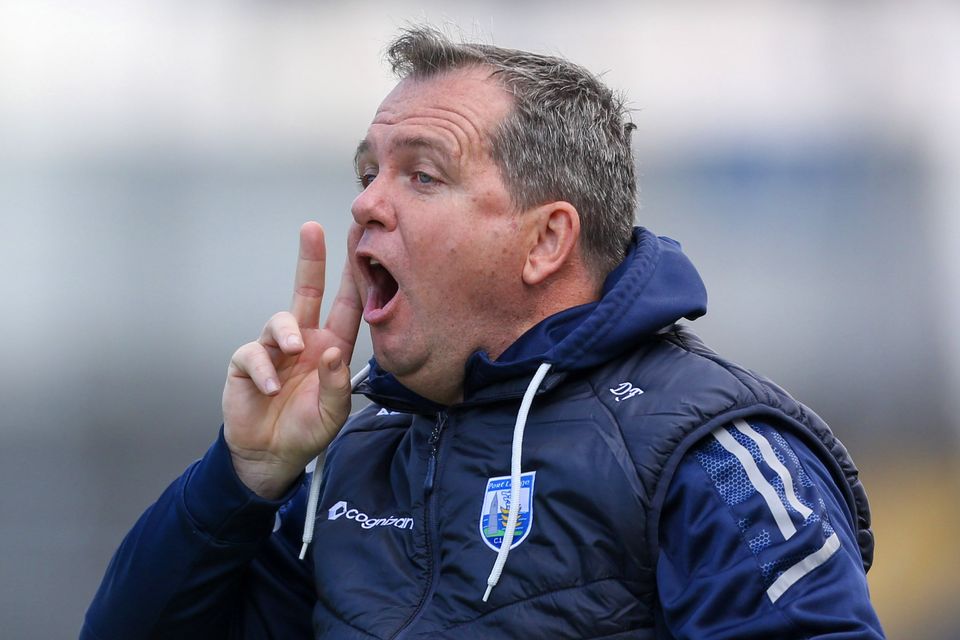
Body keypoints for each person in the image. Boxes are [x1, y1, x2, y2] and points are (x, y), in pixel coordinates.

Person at [82, 26, 885, 639]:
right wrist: (243, 476)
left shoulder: (707, 452)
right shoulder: (351, 463)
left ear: (545, 241)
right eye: (369, 174)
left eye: (422, 175)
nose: (366, 203)